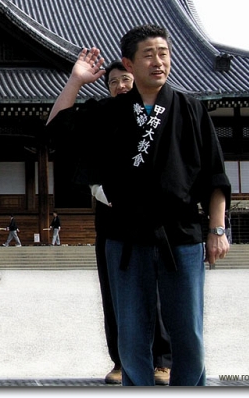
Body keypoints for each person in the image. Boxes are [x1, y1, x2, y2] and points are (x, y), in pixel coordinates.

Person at [47, 25, 230, 386]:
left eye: (164, 53)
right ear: (129, 64)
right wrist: (76, 81)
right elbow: (56, 130)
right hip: (126, 237)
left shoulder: (191, 110)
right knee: (132, 337)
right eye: (149, 54)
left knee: (188, 334)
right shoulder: (110, 112)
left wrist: (217, 229)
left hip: (183, 235)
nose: (159, 61)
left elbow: (215, 176)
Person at [91, 62, 172, 385]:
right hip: (112, 220)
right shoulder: (101, 119)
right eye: (113, 82)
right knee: (115, 294)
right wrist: (98, 188)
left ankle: (162, 359)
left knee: (156, 291)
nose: (121, 86)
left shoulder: (159, 117)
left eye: (126, 79)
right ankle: (121, 360)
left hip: (153, 220)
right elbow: (86, 162)